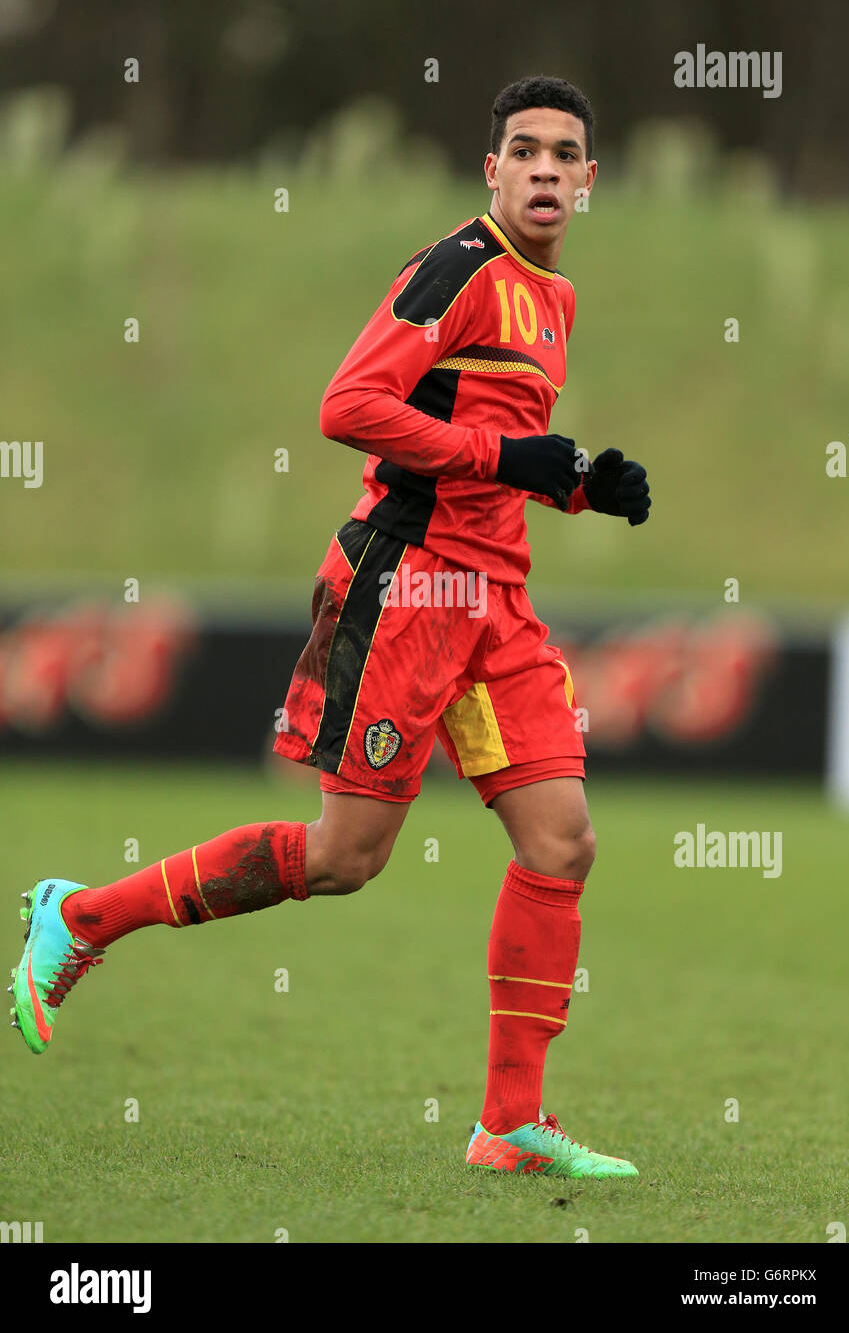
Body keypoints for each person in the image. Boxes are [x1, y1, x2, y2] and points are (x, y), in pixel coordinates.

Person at [10, 75, 650, 1179]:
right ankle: (85, 915)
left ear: (588, 182)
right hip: (402, 591)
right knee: (345, 858)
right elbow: (348, 406)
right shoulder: (455, 267)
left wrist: (581, 485)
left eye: (564, 154)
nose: (544, 168)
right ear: (488, 170)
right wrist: (512, 461)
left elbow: (476, 438)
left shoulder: (555, 298)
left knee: (562, 841)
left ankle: (507, 1125)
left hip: (494, 604)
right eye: (523, 150)